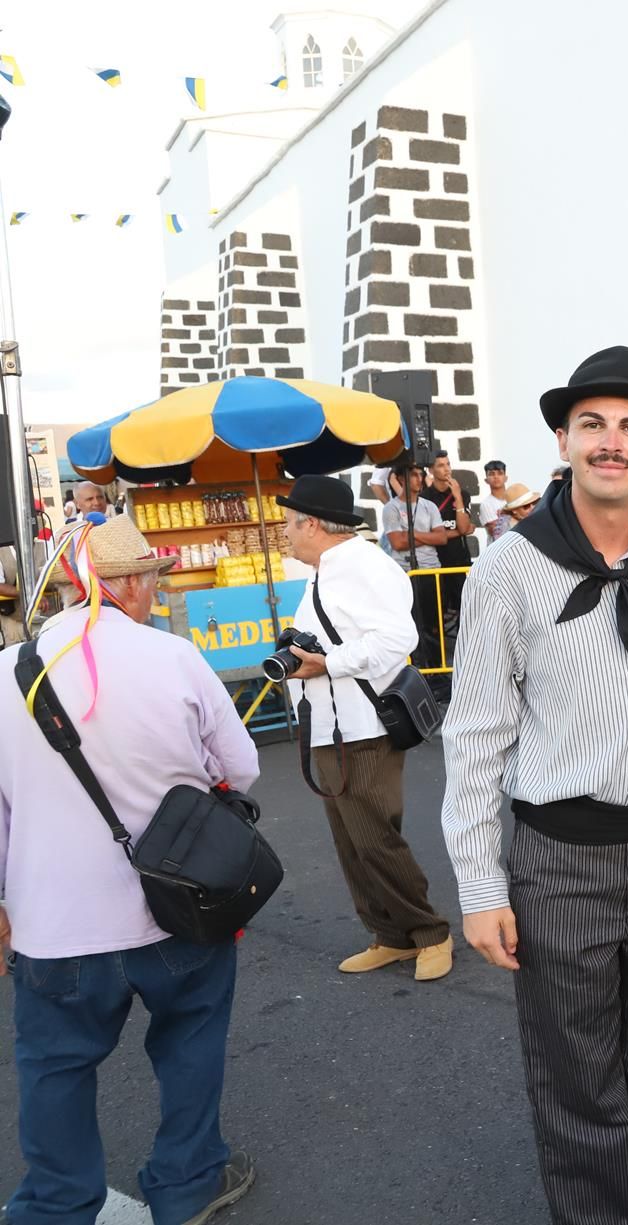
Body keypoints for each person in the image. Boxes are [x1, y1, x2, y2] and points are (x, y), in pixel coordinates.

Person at [443, 345, 628, 1225]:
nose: (610, 441)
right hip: (559, 860)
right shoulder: (506, 569)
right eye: (591, 423)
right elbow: (475, 735)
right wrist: (480, 885)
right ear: (562, 440)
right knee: (577, 1080)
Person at [0, 516, 260, 1225]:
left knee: (54, 1065)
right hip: (176, 907)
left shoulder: (7, 672)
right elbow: (239, 768)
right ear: (133, 584)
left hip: (53, 925)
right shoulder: (173, 658)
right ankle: (188, 1181)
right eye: (151, 579)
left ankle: (57, 1204)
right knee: (190, 1040)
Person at [278, 475, 454, 980]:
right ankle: (390, 934)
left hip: (361, 726)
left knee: (374, 838)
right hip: (332, 725)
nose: (285, 532)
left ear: (312, 524)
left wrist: (327, 663)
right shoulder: (328, 569)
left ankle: (430, 933)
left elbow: (398, 637)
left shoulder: (363, 566)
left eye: (289, 523)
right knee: (352, 842)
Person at [381, 460, 447, 668]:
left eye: (421, 474)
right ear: (401, 479)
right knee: (410, 622)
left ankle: (437, 667)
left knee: (434, 623)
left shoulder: (429, 506)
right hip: (405, 573)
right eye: (414, 475)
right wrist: (427, 536)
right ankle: (417, 666)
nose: (420, 479)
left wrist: (412, 534)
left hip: (430, 571)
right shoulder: (391, 508)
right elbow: (397, 543)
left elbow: (441, 538)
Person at [422, 448, 476, 652]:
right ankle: (438, 656)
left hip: (459, 561)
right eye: (441, 466)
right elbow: (431, 533)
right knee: (436, 613)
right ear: (431, 470)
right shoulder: (425, 498)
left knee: (466, 609)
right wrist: (456, 531)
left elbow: (464, 526)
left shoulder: (462, 494)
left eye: (448, 464)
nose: (446, 469)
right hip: (435, 563)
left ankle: (467, 652)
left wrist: (458, 499)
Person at [478, 484, 540, 557]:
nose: (532, 508)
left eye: (534, 503)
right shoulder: (505, 530)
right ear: (514, 510)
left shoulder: (529, 521)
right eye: (526, 506)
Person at [477, 459, 512, 541]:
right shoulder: (486, 504)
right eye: (492, 474)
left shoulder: (514, 499)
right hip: (498, 546)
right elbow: (495, 531)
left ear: (505, 478)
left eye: (500, 473)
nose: (496, 477)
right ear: (486, 480)